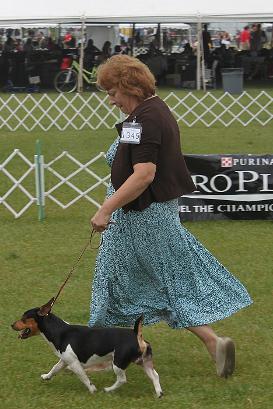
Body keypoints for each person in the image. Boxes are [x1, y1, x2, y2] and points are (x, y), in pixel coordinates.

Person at [89, 55, 252, 378]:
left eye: (112, 93)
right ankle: (208, 343)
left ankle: (104, 355)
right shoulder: (152, 110)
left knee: (117, 280)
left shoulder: (143, 120)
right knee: (153, 281)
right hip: (151, 214)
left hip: (140, 217)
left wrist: (106, 208)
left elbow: (144, 174)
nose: (110, 101)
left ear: (128, 86)